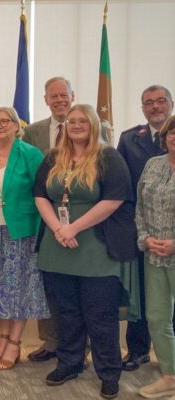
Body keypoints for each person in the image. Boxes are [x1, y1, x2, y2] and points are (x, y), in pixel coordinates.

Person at [34, 104, 138, 400]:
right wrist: (58, 228)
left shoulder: (109, 157)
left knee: (99, 316)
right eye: (71, 121)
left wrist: (73, 228)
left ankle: (109, 373)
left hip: (96, 247)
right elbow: (40, 195)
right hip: (57, 246)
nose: (76, 125)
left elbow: (115, 199)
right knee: (66, 313)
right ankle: (70, 363)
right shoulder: (53, 157)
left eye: (82, 120)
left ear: (94, 125)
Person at [0, 106, 49, 371]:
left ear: (17, 125)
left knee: (16, 289)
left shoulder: (29, 153)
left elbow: (41, 190)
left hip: (18, 230)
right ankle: (2, 340)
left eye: (4, 121)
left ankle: (15, 343)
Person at [118, 85, 173, 372]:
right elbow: (123, 190)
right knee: (142, 297)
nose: (155, 107)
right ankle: (138, 350)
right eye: (148, 103)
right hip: (143, 233)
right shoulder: (129, 140)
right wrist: (139, 233)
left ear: (171, 103)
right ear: (142, 108)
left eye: (160, 101)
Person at [23, 77, 75, 363]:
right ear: (45, 100)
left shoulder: (95, 127)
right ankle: (51, 341)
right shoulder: (32, 132)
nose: (59, 100)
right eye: (53, 96)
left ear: (72, 96)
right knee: (47, 283)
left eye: (63, 95)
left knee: (78, 283)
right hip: (43, 215)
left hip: (81, 217)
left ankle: (79, 344)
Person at [136, 115, 175, 399]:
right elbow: (139, 206)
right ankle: (170, 376)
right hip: (154, 255)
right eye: (172, 132)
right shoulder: (153, 165)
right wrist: (145, 239)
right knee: (157, 317)